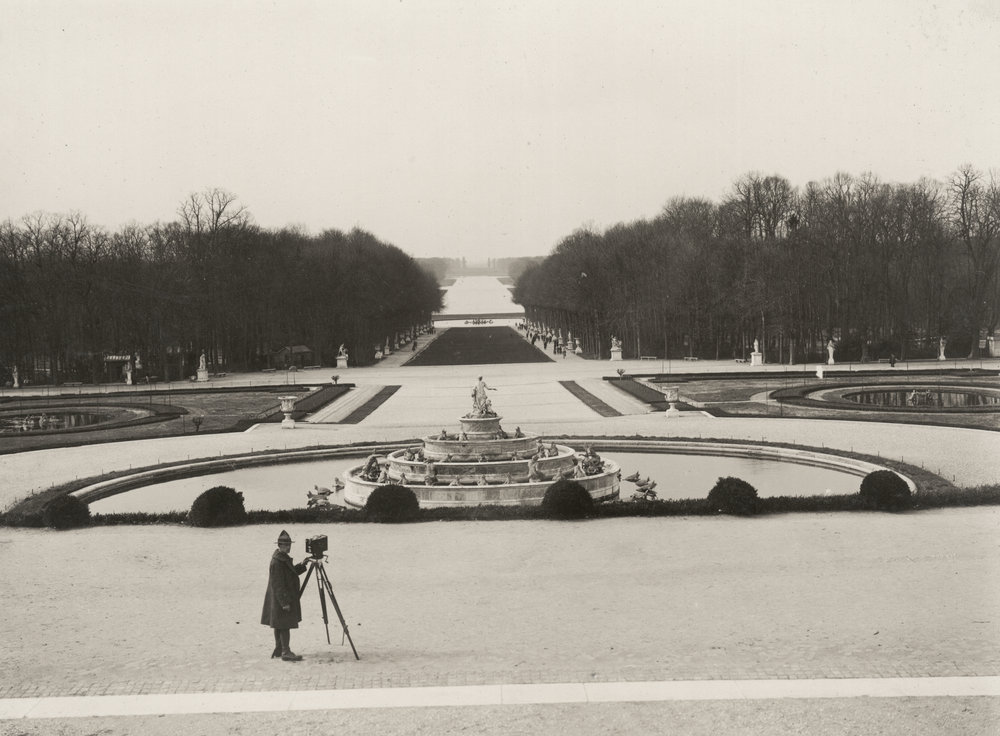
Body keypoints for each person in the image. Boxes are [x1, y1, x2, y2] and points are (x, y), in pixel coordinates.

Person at [261, 530, 308, 662]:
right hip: (281, 598)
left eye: (289, 545)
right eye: (286, 545)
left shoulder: (282, 558)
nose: (288, 547)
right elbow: (278, 585)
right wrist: (284, 603)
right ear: (280, 545)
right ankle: (285, 651)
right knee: (284, 624)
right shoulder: (277, 562)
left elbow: (290, 573)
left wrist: (302, 566)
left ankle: (279, 648)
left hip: (280, 598)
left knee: (279, 623)